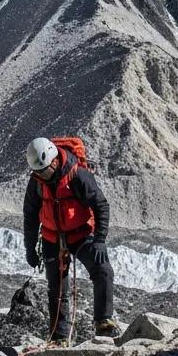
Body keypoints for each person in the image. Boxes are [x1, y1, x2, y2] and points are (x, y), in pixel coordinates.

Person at [22, 137, 118, 344]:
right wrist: (30, 248)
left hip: (81, 234)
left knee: (103, 270)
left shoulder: (78, 175)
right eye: (37, 172)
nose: (41, 176)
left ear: (54, 162)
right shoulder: (37, 181)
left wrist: (100, 240)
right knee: (56, 289)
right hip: (51, 238)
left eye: (43, 171)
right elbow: (30, 215)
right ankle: (58, 337)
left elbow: (101, 205)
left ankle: (103, 321)